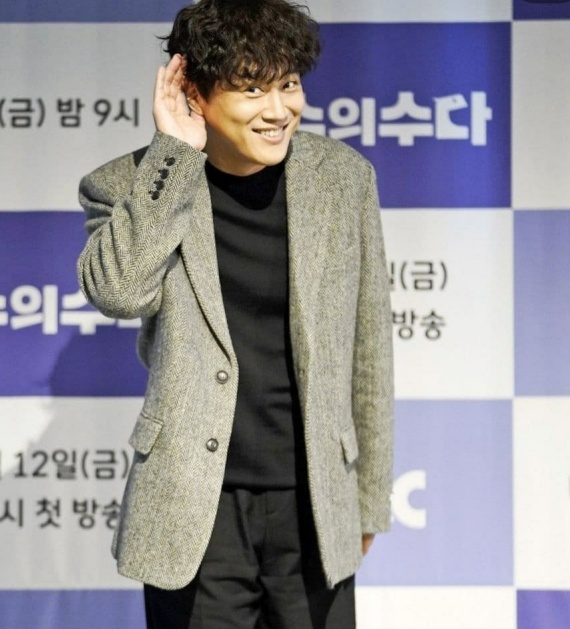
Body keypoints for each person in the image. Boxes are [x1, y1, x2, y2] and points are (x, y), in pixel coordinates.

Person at [76, 0, 394, 626]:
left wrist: (367, 499)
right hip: (195, 508)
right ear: (193, 92)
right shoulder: (131, 184)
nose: (278, 110)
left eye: (288, 85)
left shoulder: (342, 179)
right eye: (251, 89)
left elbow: (369, 346)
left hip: (314, 500)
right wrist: (173, 154)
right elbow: (118, 292)